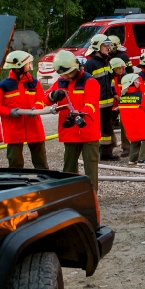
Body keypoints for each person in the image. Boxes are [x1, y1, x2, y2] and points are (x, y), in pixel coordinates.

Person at [47, 50, 101, 191]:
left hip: (88, 131)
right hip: (70, 132)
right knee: (69, 169)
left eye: (68, 73)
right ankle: (69, 194)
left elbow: (91, 105)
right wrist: (52, 95)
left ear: (75, 68)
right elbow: (44, 99)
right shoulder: (60, 82)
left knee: (90, 168)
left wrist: (79, 115)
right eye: (63, 74)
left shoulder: (90, 82)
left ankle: (91, 195)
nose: (65, 77)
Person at [0, 50, 49, 170]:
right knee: (15, 162)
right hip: (13, 128)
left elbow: (41, 100)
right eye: (27, 63)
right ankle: (16, 180)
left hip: (33, 126)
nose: (29, 65)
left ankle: (45, 180)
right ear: (20, 66)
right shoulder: (3, 86)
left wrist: (36, 108)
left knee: (41, 161)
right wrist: (9, 112)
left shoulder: (34, 83)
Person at [83, 34, 117, 160]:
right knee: (99, 129)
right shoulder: (90, 64)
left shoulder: (106, 62)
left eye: (109, 45)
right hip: (97, 104)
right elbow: (86, 85)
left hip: (108, 103)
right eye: (105, 45)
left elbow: (111, 81)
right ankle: (97, 153)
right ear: (97, 47)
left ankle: (106, 153)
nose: (108, 48)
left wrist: (114, 94)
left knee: (107, 128)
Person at [118, 73, 145, 165]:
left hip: (128, 124)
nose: (139, 82)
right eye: (137, 81)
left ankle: (132, 159)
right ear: (132, 83)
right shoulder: (139, 95)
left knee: (134, 140)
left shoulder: (122, 96)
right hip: (140, 123)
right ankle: (143, 159)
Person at [109, 57, 129, 157]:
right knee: (108, 125)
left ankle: (126, 147)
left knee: (124, 125)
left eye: (122, 68)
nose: (121, 70)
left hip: (123, 104)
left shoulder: (126, 78)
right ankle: (110, 144)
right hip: (110, 105)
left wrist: (120, 105)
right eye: (118, 68)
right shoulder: (108, 78)